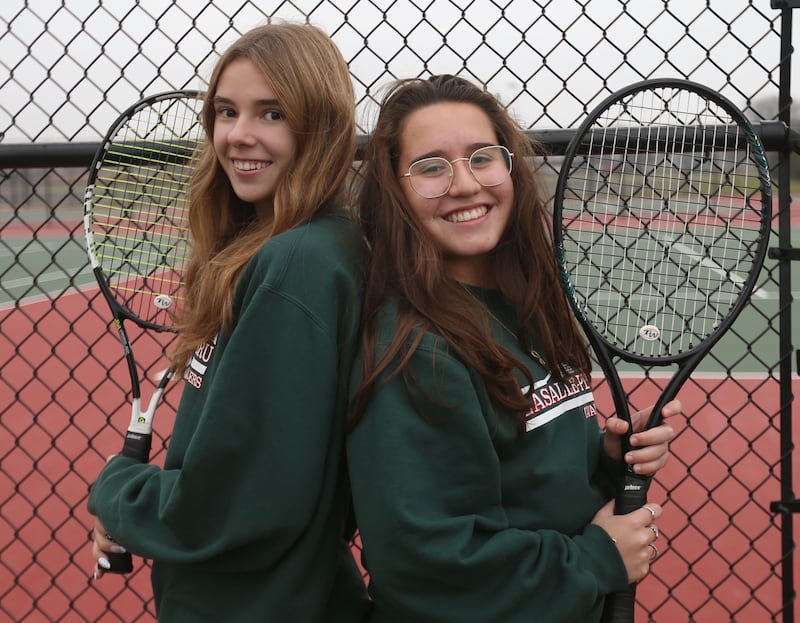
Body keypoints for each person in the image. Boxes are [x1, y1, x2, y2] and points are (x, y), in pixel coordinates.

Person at [346, 74, 680, 623]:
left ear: (509, 168)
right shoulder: (416, 351)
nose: (464, 183)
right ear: (395, 192)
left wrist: (604, 462)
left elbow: (527, 483)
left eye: (482, 157)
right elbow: (430, 568)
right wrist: (596, 559)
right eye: (431, 167)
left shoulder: (525, 305)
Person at [87, 22, 370, 622]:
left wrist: (119, 496)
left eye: (272, 114)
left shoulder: (296, 262)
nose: (238, 135)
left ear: (319, 125)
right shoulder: (301, 246)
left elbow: (238, 500)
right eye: (225, 111)